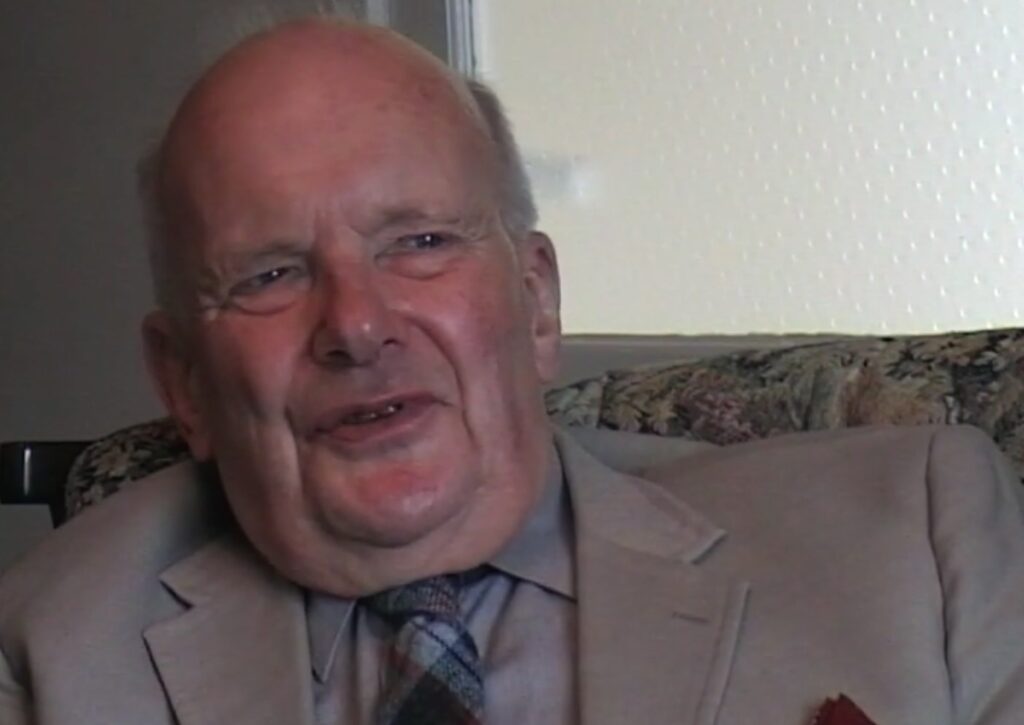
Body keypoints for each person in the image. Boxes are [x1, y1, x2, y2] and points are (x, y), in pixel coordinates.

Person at [2, 18, 1023, 725]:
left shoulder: (912, 540)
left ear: (535, 301)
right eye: (270, 274)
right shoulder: (46, 649)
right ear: (183, 381)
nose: (356, 325)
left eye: (419, 242)